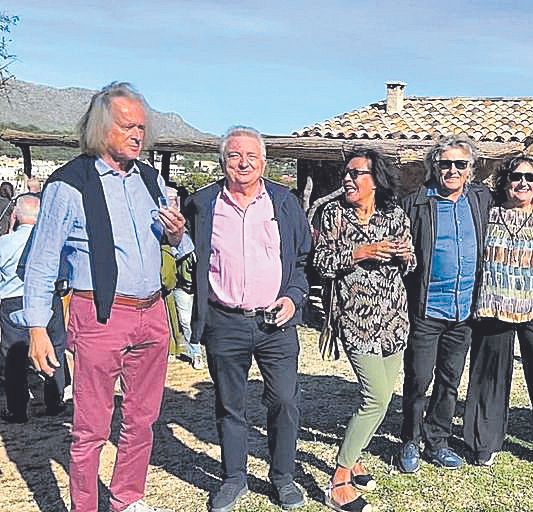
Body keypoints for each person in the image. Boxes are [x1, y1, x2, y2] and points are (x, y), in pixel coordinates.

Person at [23, 82, 191, 512]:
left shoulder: (151, 180)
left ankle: (126, 499)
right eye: (127, 126)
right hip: (99, 314)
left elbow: (175, 246)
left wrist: (176, 235)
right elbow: (42, 262)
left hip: (152, 312)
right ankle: (84, 506)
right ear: (102, 128)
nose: (138, 134)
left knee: (142, 420)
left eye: (142, 127)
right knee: (91, 426)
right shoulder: (68, 184)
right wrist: (38, 328)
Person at [183, 126, 311, 511]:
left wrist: (293, 298)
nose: (243, 162)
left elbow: (303, 262)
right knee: (229, 403)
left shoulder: (284, 203)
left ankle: (283, 476)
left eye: (251, 156)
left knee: (285, 401)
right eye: (235, 155)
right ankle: (234, 477)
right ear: (223, 162)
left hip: (276, 322)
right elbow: (188, 256)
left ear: (264, 162)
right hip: (225, 321)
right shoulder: (202, 204)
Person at [313, 149, 415, 512]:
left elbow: (411, 260)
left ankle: (354, 459)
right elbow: (321, 262)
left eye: (357, 173)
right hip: (357, 320)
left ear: (376, 179)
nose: (348, 179)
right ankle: (339, 480)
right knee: (376, 399)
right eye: (347, 172)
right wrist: (360, 252)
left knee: (379, 399)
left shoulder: (395, 214)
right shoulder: (333, 215)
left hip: (393, 321)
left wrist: (405, 255)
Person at [464, 153, 533, 472]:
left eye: (529, 178)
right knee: (488, 378)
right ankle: (484, 443)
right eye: (516, 177)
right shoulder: (488, 214)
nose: (522, 183)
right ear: (505, 182)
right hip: (494, 306)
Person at [397, 135, 492, 473]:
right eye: (445, 164)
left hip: (464, 312)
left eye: (460, 164)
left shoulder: (481, 200)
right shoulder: (417, 203)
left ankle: (437, 441)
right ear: (433, 167)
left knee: (450, 380)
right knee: (418, 379)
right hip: (427, 310)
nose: (452, 170)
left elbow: (519, 201)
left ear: (471, 169)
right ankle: (409, 439)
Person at [0, 194, 67, 423]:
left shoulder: (4, 243)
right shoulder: (52, 243)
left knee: (14, 356)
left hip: (13, 301)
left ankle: (17, 409)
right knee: (55, 348)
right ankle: (54, 400)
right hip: (49, 298)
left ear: (15, 215)